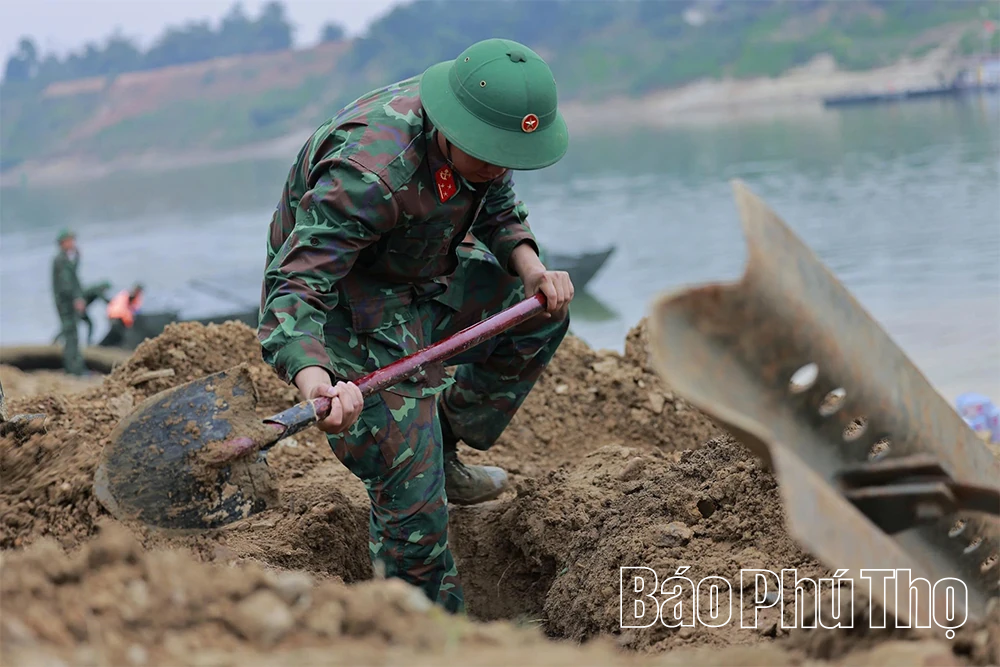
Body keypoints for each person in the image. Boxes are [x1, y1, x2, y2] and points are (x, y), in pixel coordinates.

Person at [258, 38, 574, 615]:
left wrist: (531, 268)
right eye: (489, 155)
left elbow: (497, 207)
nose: (499, 167)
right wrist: (314, 379)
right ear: (451, 127)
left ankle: (442, 444)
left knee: (538, 317)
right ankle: (429, 632)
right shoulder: (370, 174)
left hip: (419, 273)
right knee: (413, 510)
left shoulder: (479, 140)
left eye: (509, 156)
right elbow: (295, 289)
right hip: (343, 304)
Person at [51, 229, 87, 375]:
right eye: (70, 240)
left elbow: (72, 274)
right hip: (66, 305)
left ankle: (74, 367)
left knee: (72, 334)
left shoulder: (65, 259)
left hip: (67, 303)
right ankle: (74, 369)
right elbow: (67, 284)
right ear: (63, 242)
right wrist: (76, 299)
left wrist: (77, 258)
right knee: (71, 335)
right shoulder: (60, 260)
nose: (73, 243)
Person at [52, 280, 112, 347]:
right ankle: (56, 339)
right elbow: (103, 298)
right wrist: (111, 303)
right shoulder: (96, 290)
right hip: (78, 310)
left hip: (80, 310)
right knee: (71, 326)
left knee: (87, 324)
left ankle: (88, 342)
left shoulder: (95, 289)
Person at [100, 283, 144, 348]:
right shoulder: (129, 295)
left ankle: (107, 347)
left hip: (116, 316)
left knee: (117, 335)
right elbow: (131, 309)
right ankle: (101, 346)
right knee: (115, 334)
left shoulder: (126, 295)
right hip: (117, 316)